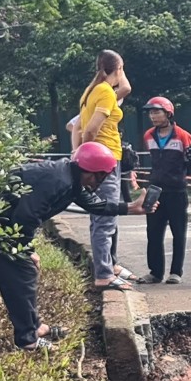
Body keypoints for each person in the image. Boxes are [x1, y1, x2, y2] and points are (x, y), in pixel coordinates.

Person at [0, 143, 148, 350]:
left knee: (25, 271)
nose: (102, 182)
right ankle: (27, 340)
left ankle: (35, 326)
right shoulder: (59, 181)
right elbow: (26, 217)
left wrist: (131, 208)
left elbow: (95, 205)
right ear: (92, 172)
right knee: (20, 273)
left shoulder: (73, 178)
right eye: (102, 176)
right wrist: (27, 250)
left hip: (6, 216)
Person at [70, 50, 132, 290]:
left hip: (100, 160)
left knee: (99, 219)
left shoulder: (91, 91)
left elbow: (78, 126)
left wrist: (78, 153)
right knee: (105, 219)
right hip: (104, 161)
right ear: (117, 69)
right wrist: (86, 153)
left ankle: (105, 269)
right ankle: (104, 274)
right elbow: (90, 130)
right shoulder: (105, 92)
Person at [135, 96, 191, 284]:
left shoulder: (183, 136)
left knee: (178, 232)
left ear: (168, 113)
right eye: (150, 113)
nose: (152, 116)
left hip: (177, 191)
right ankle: (155, 272)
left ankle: (176, 272)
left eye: (156, 112)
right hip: (155, 191)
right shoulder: (148, 136)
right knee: (153, 232)